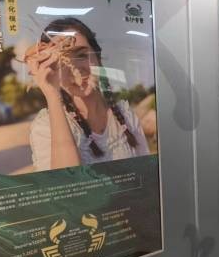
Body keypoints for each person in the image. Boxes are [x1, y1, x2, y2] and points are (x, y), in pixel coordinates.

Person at [26, 17, 149, 171]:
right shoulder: (45, 127)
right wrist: (52, 94)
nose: (75, 68)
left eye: (82, 55)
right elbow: (67, 182)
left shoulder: (126, 115)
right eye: (61, 62)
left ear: (98, 57)